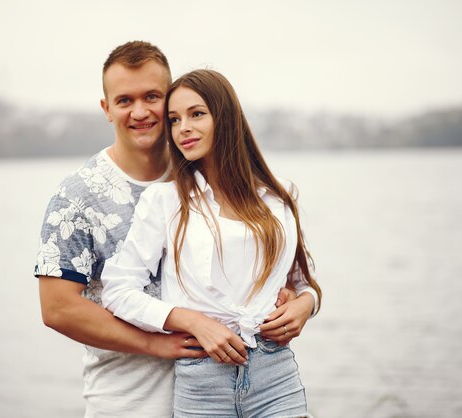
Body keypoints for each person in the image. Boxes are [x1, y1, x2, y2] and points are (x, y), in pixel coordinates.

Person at [35, 42, 313, 417]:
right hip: (131, 399)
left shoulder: (207, 174)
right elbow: (58, 309)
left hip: (245, 379)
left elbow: (287, 278)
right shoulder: (77, 196)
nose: (140, 111)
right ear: (106, 109)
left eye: (152, 97)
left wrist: (300, 302)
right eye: (124, 100)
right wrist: (159, 342)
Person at [101, 69, 322, 417]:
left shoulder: (280, 195)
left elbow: (301, 280)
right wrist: (191, 321)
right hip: (203, 381)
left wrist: (306, 305)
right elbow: (117, 289)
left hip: (276, 375)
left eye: (197, 114)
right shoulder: (165, 201)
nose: (183, 128)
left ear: (226, 117)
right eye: (174, 120)